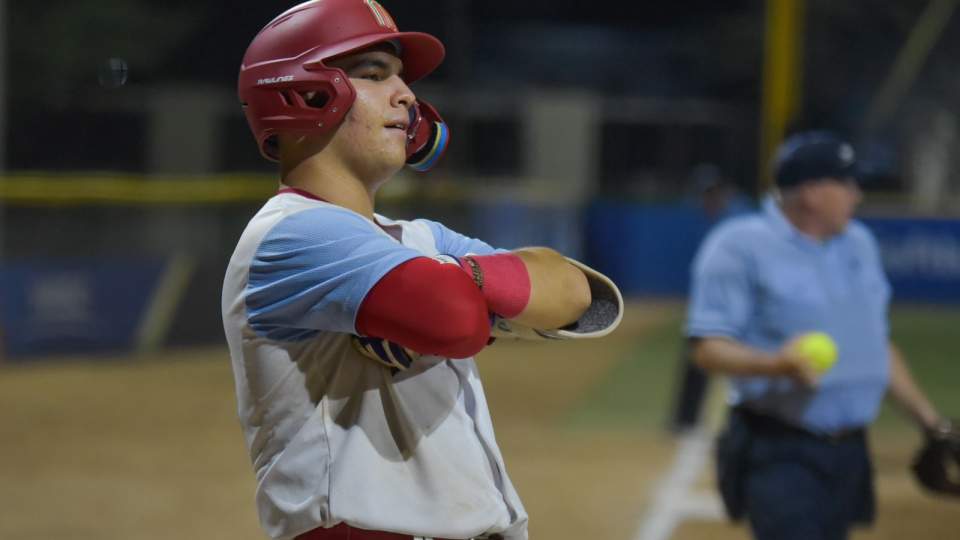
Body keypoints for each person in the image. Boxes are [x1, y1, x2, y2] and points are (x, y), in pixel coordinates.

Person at [221, 2, 622, 540]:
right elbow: (454, 320)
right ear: (306, 95)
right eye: (374, 75)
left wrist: (455, 277)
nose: (407, 96)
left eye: (401, 79)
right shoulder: (292, 233)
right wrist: (477, 293)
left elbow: (579, 292)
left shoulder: (418, 239)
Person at [684, 130, 949, 540]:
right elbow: (707, 347)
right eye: (846, 184)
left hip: (851, 453)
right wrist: (777, 365)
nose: (857, 195)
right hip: (780, 451)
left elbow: (875, 345)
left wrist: (932, 424)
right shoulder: (739, 246)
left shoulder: (858, 244)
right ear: (810, 192)